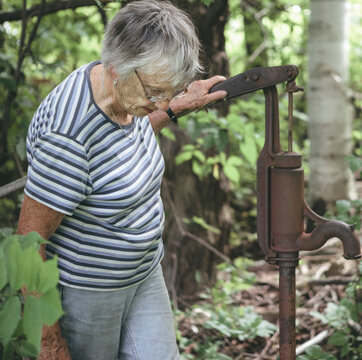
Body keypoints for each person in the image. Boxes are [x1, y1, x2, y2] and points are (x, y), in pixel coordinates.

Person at [16, 1, 227, 359]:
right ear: (118, 68)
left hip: (144, 273)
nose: (160, 101)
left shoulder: (126, 98)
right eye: (156, 92)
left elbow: (124, 140)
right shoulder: (68, 136)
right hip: (89, 292)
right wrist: (49, 341)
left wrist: (175, 107)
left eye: (169, 90)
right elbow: (28, 243)